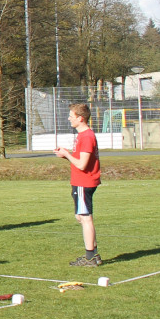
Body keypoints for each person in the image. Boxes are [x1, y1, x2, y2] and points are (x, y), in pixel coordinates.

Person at [54, 102, 101, 266]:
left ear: (80, 118)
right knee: (81, 217)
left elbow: (82, 164)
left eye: (71, 116)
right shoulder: (82, 136)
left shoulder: (87, 136)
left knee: (85, 218)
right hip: (80, 182)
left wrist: (67, 154)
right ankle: (94, 254)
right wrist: (66, 154)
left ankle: (90, 257)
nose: (69, 119)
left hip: (84, 182)